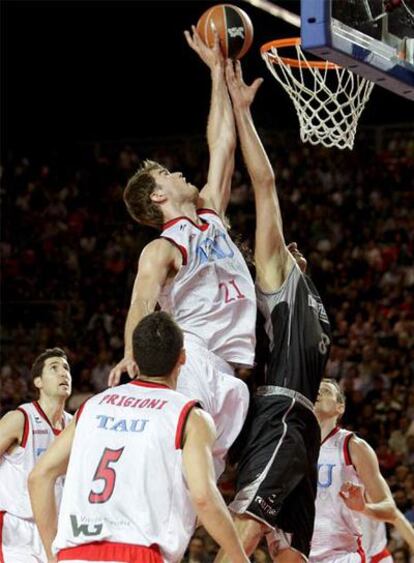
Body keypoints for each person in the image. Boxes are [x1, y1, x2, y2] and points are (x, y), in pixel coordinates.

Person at [108, 28, 256, 476]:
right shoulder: (163, 248)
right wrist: (133, 352)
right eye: (170, 174)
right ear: (158, 198)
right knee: (180, 476)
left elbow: (223, 146)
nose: (179, 173)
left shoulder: (210, 214)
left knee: (203, 486)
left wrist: (216, 74)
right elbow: (140, 302)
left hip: (230, 371)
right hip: (193, 358)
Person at [214, 61, 332, 562]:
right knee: (246, 529)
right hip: (279, 412)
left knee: (292, 553)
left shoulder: (312, 298)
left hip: (303, 426)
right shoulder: (275, 278)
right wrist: (243, 113)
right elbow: (265, 185)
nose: (292, 246)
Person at [29, 312, 249, 563]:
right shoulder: (189, 415)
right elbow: (203, 498)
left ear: (134, 357)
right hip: (140, 553)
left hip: (75, 553)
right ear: (182, 357)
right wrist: (239, 557)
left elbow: (39, 477)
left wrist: (51, 553)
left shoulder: (92, 406)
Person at [310, 378, 414, 562]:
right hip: (305, 552)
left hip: (355, 555)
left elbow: (392, 512)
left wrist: (363, 508)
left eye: (326, 391)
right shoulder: (296, 448)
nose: (318, 393)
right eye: (315, 391)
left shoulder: (352, 446)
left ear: (340, 407)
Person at [0, 347, 72, 563]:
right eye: (54, 368)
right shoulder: (20, 419)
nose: (63, 373)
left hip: (57, 531)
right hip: (17, 531)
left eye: (66, 368)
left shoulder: (75, 425)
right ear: (38, 382)